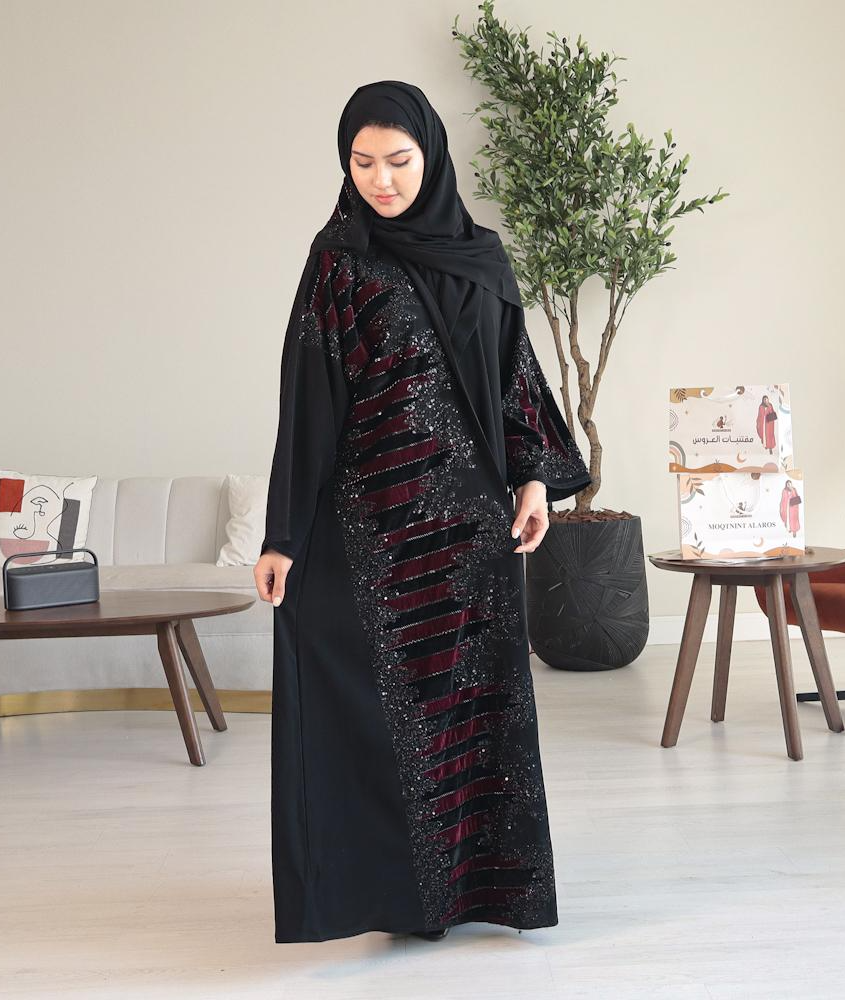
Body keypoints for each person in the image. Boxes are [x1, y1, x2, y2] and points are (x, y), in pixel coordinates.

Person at [254, 80, 592, 944]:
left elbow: (515, 374)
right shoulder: (339, 262)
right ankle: (400, 900)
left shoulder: (483, 257)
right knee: (383, 720)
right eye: (362, 162)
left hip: (472, 532)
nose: (381, 180)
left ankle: (484, 891)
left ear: (431, 156)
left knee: (473, 713)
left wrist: (533, 482)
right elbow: (308, 401)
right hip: (373, 535)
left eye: (398, 161)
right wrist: (284, 535)